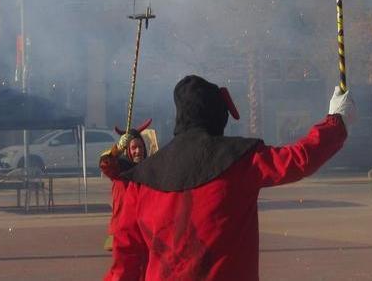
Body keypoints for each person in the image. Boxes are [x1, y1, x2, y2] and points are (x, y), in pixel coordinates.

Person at [107, 75, 354, 280]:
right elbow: (300, 159)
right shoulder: (240, 160)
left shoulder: (140, 181)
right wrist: (335, 122)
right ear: (217, 116)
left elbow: (126, 260)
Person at [100, 120, 155, 251]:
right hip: (123, 231)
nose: (138, 151)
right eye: (133, 148)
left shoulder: (149, 169)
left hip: (144, 231)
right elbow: (105, 164)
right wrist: (117, 149)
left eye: (140, 147)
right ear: (128, 150)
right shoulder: (119, 170)